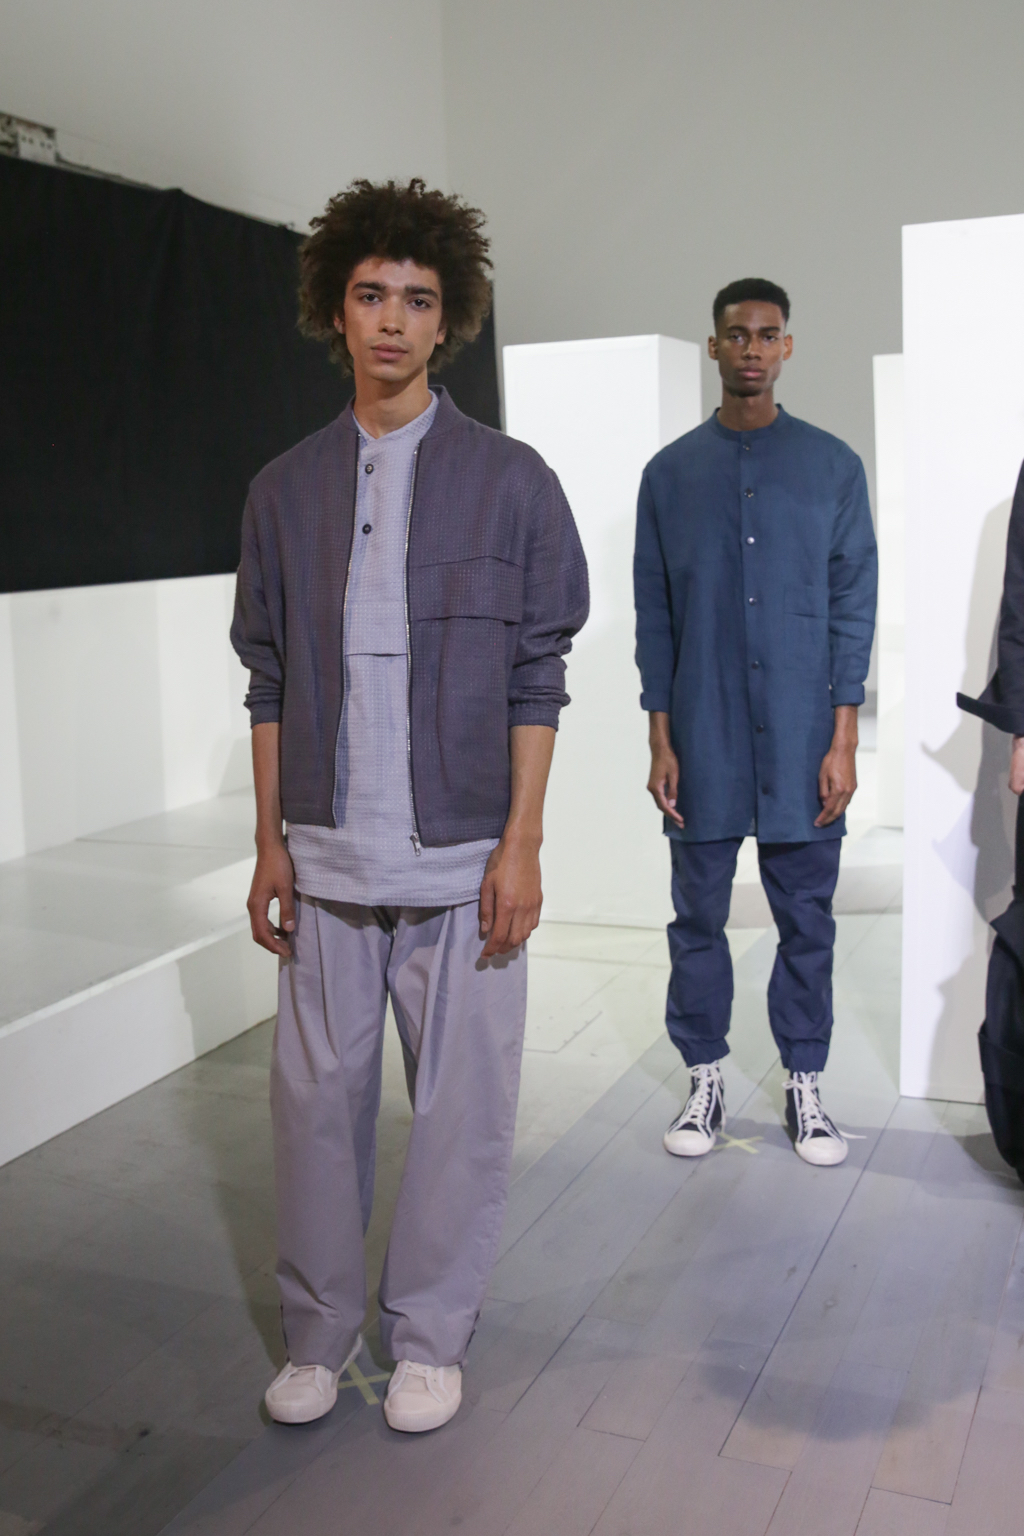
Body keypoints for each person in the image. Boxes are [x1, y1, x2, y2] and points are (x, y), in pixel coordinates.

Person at [231, 179, 588, 1433]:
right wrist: (269, 843)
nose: (392, 320)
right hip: (327, 859)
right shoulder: (282, 490)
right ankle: (317, 1337)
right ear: (336, 310)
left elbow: (539, 674)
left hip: (462, 862)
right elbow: (267, 680)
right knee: (311, 1117)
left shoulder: (512, 481)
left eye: (418, 300)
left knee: (459, 1119)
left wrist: (521, 846)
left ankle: (431, 1337)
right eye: (371, 294)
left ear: (451, 319)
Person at [633, 278, 877, 1167]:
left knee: (807, 922)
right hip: (703, 737)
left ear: (787, 347)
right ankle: (705, 1078)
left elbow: (852, 609)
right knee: (696, 918)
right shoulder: (669, 476)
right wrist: (661, 738)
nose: (751, 349)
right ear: (714, 347)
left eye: (767, 334)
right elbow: (654, 616)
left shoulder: (832, 468)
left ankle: (805, 1083)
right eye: (736, 334)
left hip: (803, 735)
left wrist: (844, 738)